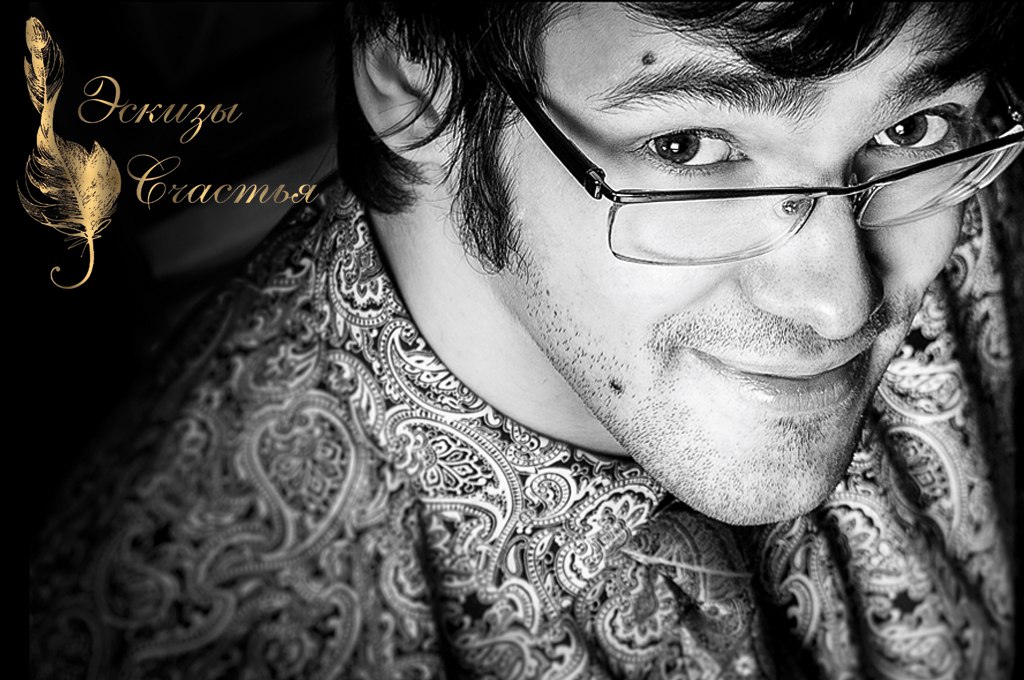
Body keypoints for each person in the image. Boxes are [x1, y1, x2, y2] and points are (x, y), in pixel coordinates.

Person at [30, 2, 1022, 678]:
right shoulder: (186, 623)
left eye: (907, 129)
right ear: (417, 73)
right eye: (689, 147)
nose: (838, 304)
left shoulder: (969, 189)